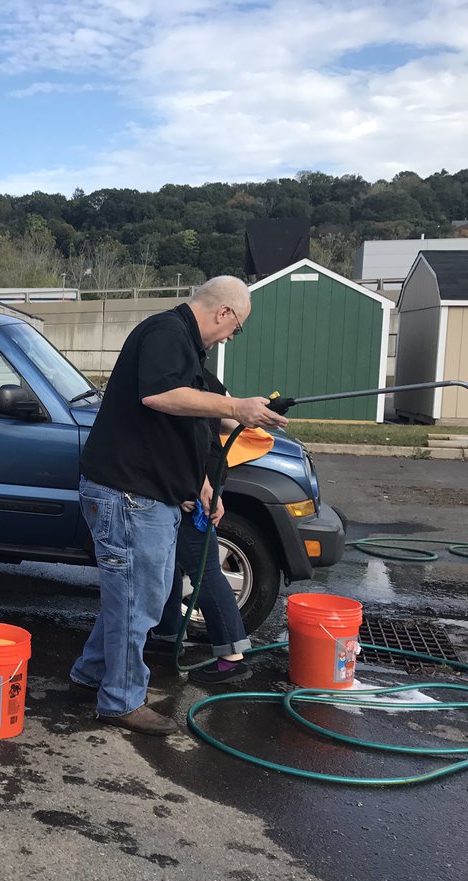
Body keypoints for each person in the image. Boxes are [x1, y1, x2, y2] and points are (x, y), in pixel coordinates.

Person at [68, 276, 288, 735]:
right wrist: (236, 407)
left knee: (129, 596)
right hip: (129, 495)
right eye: (237, 327)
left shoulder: (186, 346)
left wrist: (203, 484)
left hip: (148, 495)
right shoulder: (166, 333)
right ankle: (120, 701)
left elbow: (185, 425)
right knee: (137, 602)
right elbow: (159, 395)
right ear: (224, 312)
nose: (232, 336)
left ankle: (91, 674)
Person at [147, 367, 262, 684]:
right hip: (197, 477)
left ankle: (232, 656)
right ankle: (167, 633)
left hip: (197, 482)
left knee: (203, 566)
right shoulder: (202, 374)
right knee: (169, 559)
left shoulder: (179, 374)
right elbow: (231, 421)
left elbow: (182, 435)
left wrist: (193, 486)